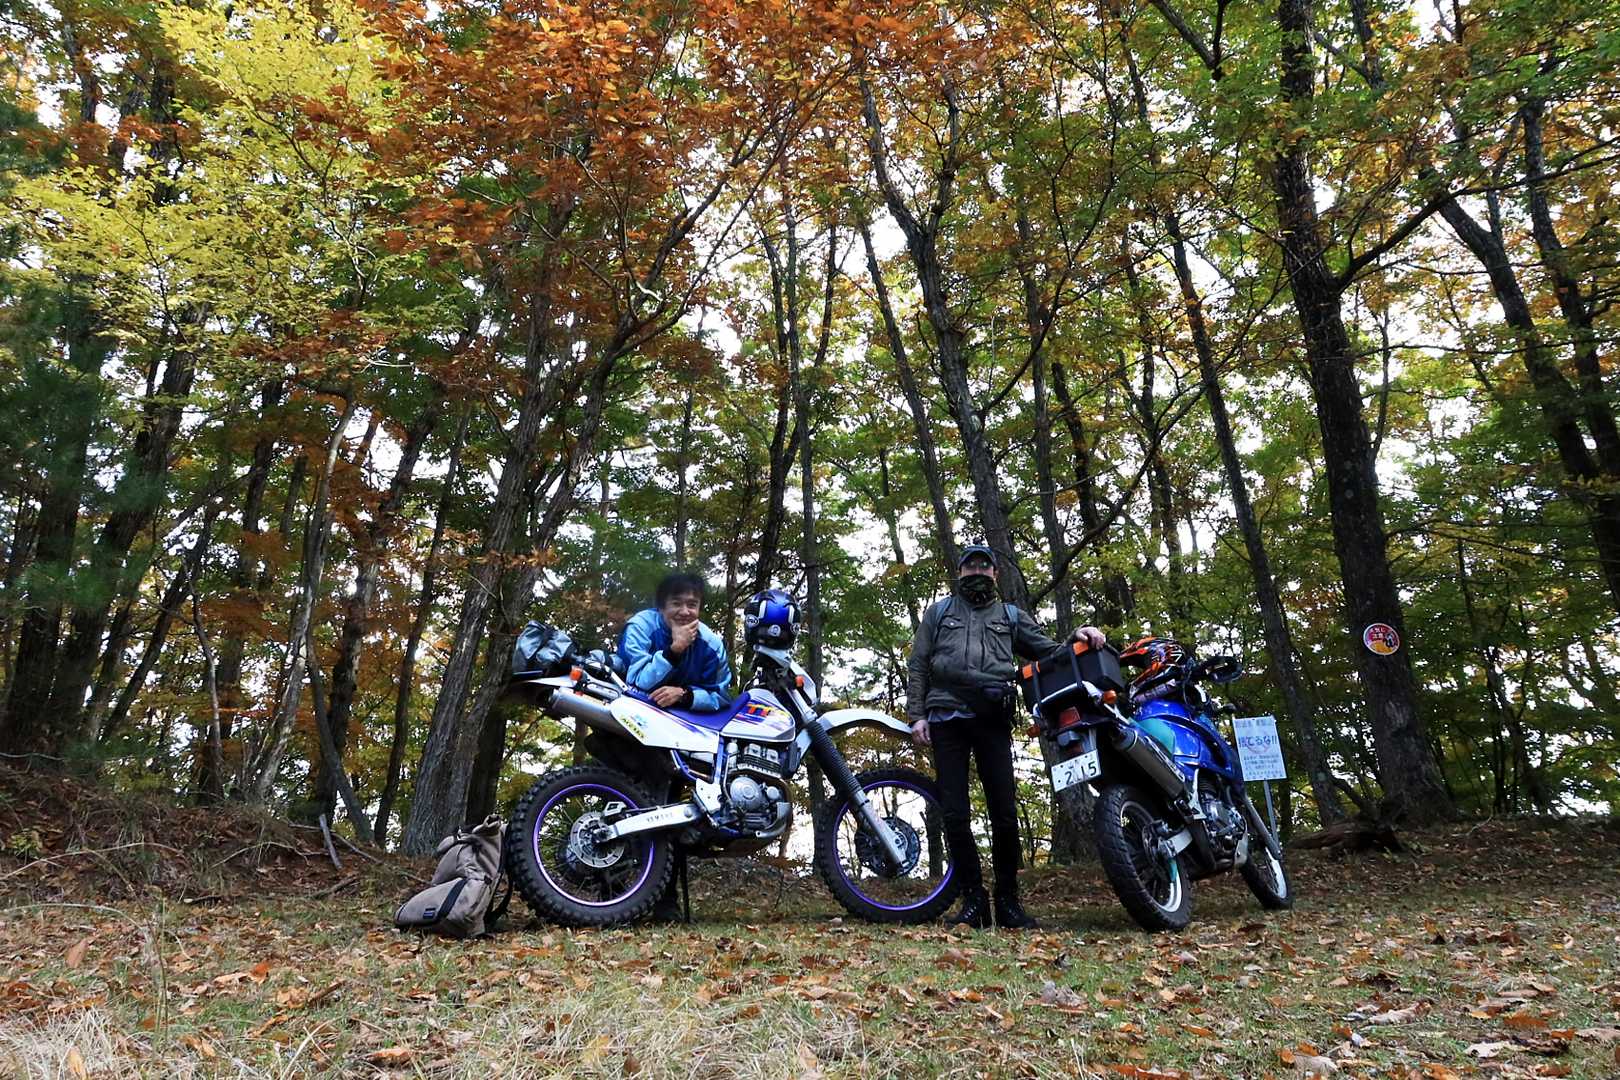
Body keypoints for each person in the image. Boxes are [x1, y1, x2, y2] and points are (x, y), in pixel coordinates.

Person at [907, 543, 1107, 930]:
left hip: (993, 717)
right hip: (946, 716)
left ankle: (1008, 901)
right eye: (970, 567)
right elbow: (918, 664)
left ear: (995, 574)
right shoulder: (939, 612)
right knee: (954, 813)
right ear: (960, 573)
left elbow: (1050, 652)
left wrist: (1079, 636)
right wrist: (917, 715)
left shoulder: (1011, 616)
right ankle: (973, 901)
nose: (977, 572)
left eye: (984, 567)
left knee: (1004, 812)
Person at [617, 571, 732, 712]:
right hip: (630, 708)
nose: (684, 612)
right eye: (676, 603)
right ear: (661, 607)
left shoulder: (712, 645)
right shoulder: (640, 627)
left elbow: (721, 696)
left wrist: (684, 695)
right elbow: (636, 683)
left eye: (692, 605)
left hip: (684, 719)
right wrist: (674, 651)